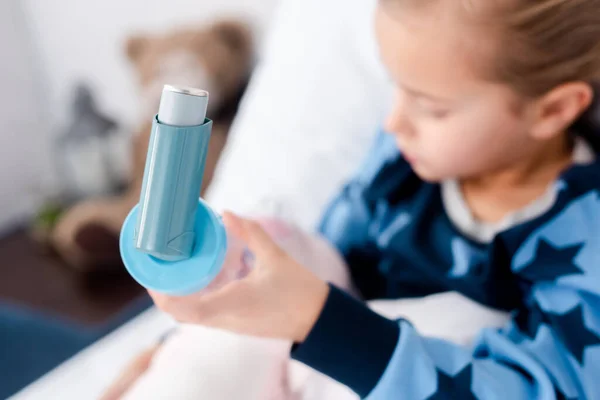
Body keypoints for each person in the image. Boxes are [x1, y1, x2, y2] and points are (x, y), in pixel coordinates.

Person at [148, 0, 600, 398]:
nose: (393, 122)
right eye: (395, 87)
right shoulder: (404, 165)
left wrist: (319, 319)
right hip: (308, 363)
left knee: (457, 323)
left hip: (383, 367)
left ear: (553, 110)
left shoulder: (583, 240)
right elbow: (326, 262)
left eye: (431, 107)